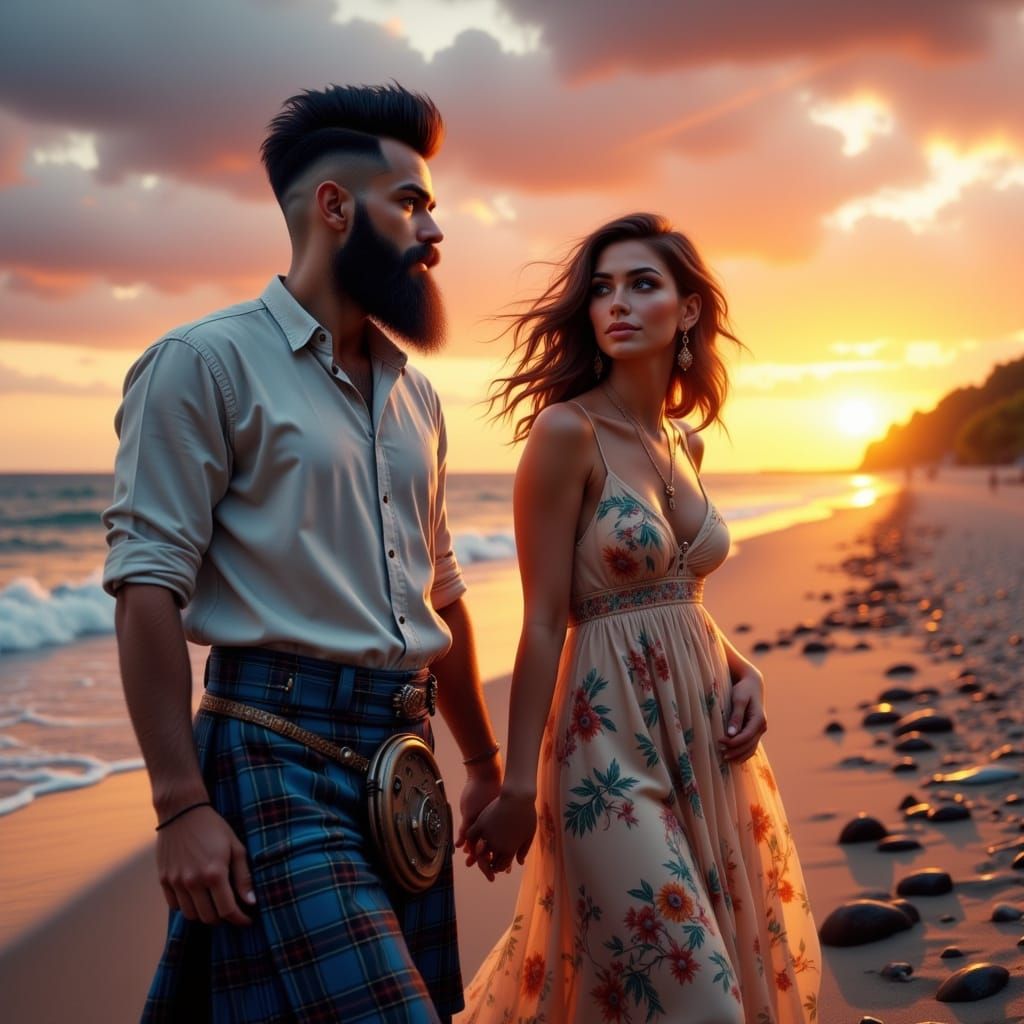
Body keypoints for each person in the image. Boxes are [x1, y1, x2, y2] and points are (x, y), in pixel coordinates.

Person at [102, 84, 502, 1024]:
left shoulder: (419, 399)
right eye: (411, 202)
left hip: (408, 759)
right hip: (273, 749)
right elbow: (146, 585)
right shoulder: (203, 364)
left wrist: (481, 761)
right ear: (333, 207)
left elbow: (440, 592)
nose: (434, 230)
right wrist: (179, 807)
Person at [457, 214, 819, 1023]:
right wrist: (517, 787)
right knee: (700, 1000)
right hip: (605, 754)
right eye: (602, 289)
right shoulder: (565, 433)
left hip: (701, 740)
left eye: (643, 284)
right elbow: (547, 619)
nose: (617, 304)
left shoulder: (683, 443)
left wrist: (741, 666)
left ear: (688, 311)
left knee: (679, 982)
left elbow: (679, 592)